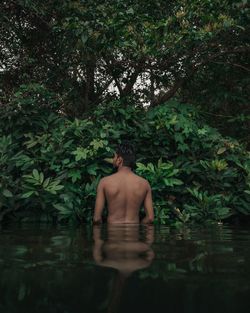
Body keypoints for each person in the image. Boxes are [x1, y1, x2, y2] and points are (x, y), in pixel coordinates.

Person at [93, 142, 154, 224]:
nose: (113, 159)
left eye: (114, 156)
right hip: (134, 234)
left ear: (119, 159)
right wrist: (139, 227)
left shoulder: (105, 182)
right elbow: (150, 218)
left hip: (113, 234)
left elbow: (96, 219)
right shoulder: (144, 184)